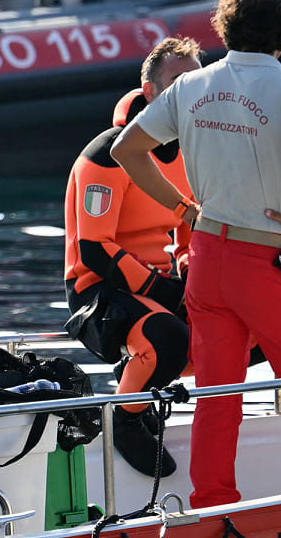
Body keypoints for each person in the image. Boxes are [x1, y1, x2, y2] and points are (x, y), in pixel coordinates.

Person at [113, 0, 281, 509]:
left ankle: (214, 511)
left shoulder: (190, 86)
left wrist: (182, 207)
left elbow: (126, 150)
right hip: (266, 264)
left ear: (226, 27)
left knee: (217, 396)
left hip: (206, 259)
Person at [62, 37, 202, 477]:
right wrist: (163, 291)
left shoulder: (193, 152)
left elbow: (187, 236)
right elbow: (94, 249)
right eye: (180, 82)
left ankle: (146, 385)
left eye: (198, 82)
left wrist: (192, 281)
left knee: (245, 328)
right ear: (149, 92)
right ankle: (124, 419)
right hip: (96, 289)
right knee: (169, 336)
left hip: (157, 281)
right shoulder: (106, 155)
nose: (192, 92)